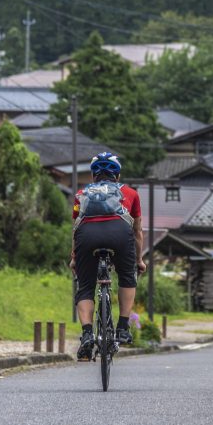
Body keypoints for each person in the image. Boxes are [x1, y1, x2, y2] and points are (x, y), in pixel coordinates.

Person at [70, 152, 146, 361]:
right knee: (127, 276)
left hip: (87, 236)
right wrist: (138, 260)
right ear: (118, 176)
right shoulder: (130, 193)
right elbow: (137, 231)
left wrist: (74, 257)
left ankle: (87, 334)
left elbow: (75, 228)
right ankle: (122, 327)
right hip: (119, 234)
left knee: (85, 286)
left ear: (94, 175)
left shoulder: (81, 194)